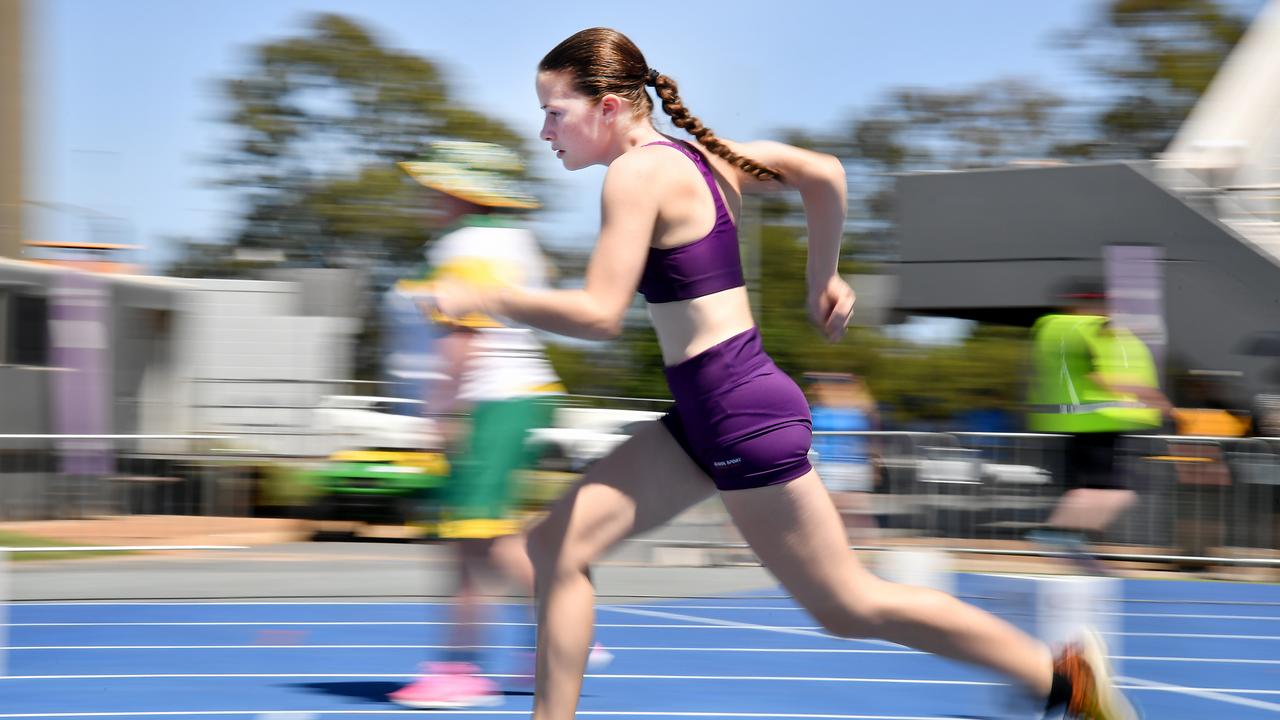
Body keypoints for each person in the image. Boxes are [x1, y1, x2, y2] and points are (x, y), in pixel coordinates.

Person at [431, 28, 1135, 720]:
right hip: (708, 414)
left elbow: (598, 312)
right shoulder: (703, 157)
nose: (544, 131)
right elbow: (822, 171)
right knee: (556, 545)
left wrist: (488, 295)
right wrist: (821, 277)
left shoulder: (637, 173)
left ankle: (1063, 677)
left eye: (555, 112)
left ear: (609, 107)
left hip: (739, 413)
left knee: (851, 605)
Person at [388, 141, 609, 709]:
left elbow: (463, 334)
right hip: (514, 398)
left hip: (490, 401)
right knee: (486, 540)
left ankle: (462, 668)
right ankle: (557, 641)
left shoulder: (466, 245)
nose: (425, 198)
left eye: (433, 188)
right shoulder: (511, 240)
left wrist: (446, 413)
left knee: (469, 542)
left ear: (460, 194)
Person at [1027, 278, 1170, 565]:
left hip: (1075, 421)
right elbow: (1097, 376)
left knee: (1098, 488)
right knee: (1114, 490)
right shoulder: (1088, 328)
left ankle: (1071, 538)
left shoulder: (1056, 328)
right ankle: (1060, 535)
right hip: (1097, 420)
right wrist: (1154, 398)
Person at [805, 372, 879, 540]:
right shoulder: (820, 409)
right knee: (844, 513)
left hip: (846, 467)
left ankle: (865, 547)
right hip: (834, 467)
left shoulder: (855, 410)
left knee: (853, 513)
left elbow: (871, 440)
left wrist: (874, 464)